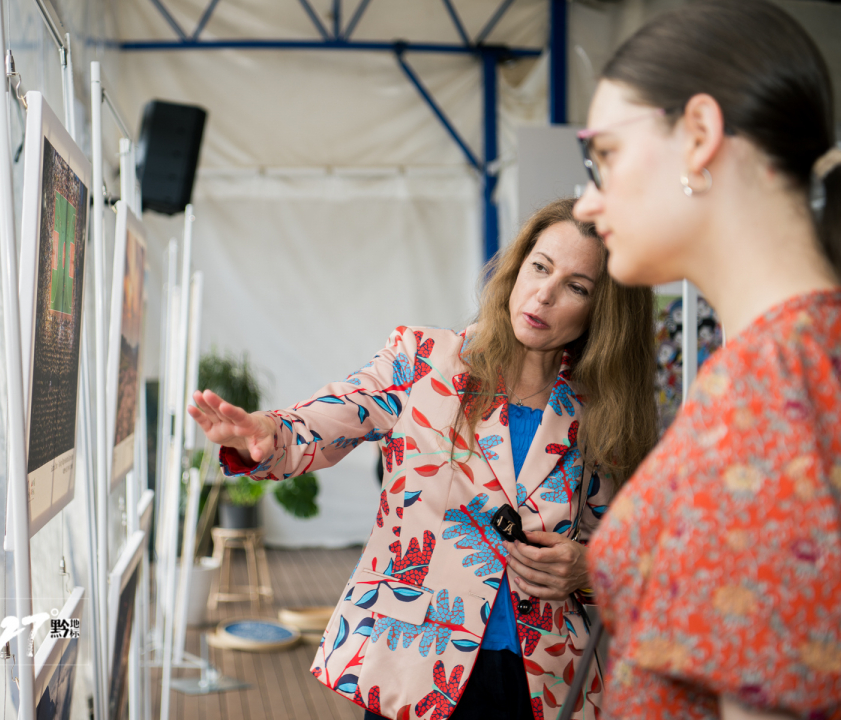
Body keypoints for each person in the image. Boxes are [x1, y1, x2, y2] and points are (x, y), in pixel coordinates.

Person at [189, 198, 657, 720]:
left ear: (601, 309)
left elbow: (626, 542)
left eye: (576, 287)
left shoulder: (601, 410)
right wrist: (268, 433)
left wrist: (587, 568)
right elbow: (335, 415)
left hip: (543, 681)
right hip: (416, 665)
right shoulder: (423, 361)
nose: (543, 295)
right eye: (539, 267)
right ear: (517, 268)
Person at [571, 2, 841, 719]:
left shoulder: (767, 385)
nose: (589, 203)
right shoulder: (807, 353)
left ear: (698, 134)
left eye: (604, 156)